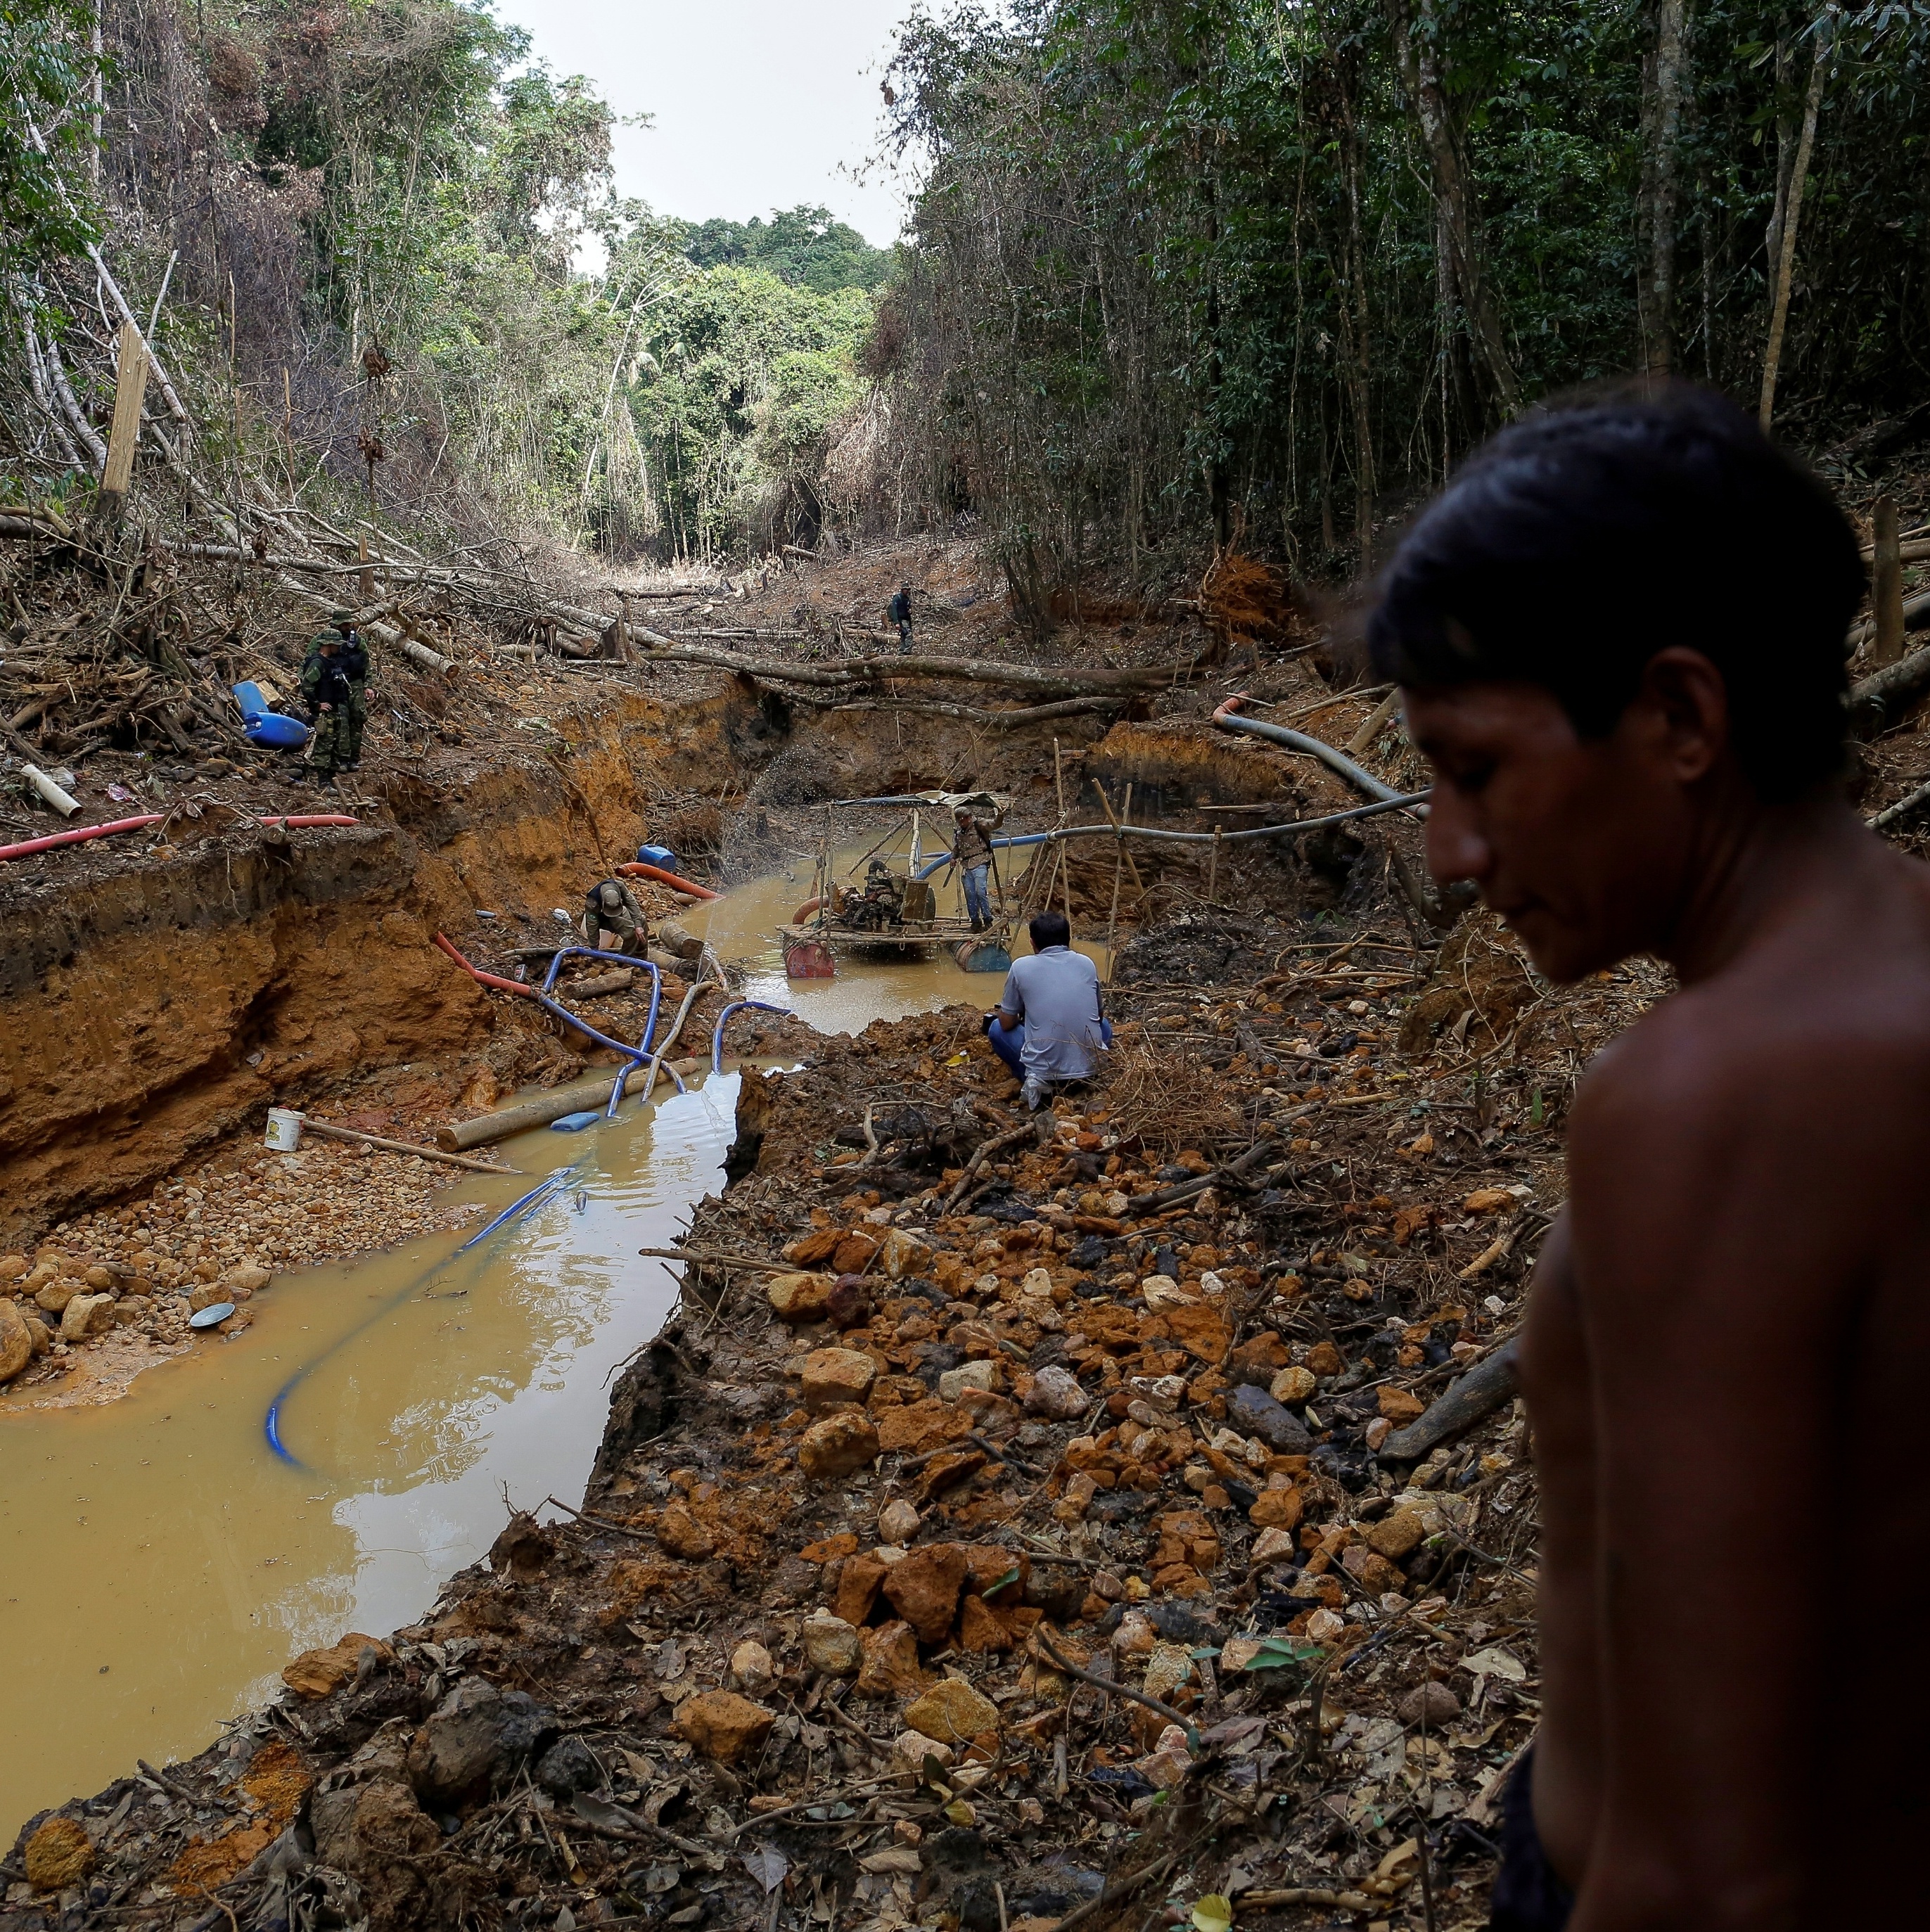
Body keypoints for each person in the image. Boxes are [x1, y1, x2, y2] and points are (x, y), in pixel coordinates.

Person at [1367, 383, 1907, 1931]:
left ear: (1679, 718)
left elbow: (1703, 1873)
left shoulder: (1704, 1097)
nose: (1447, 854)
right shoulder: (1897, 979)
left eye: (1473, 770)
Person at [986, 910, 1111, 1111]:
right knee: (1104, 1026)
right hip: (1091, 1070)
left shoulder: (1021, 967)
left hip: (1047, 1075)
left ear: (1032, 942)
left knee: (996, 1029)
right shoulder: (1086, 963)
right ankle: (1081, 1076)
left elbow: (1006, 1023)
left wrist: (1021, 1015)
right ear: (1068, 939)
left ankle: (1031, 1077)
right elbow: (1098, 1016)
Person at [298, 634, 352, 786]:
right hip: (324, 714)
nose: (338, 647)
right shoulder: (317, 663)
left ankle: (331, 779)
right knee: (324, 747)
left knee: (334, 746)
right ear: (328, 644)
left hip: (334, 711)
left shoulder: (330, 662)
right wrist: (317, 705)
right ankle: (323, 782)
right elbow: (307, 686)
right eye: (336, 644)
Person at [952, 798, 1006, 931]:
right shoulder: (960, 832)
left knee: (980, 891)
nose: (960, 823)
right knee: (970, 893)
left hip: (980, 862)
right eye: (959, 821)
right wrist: (953, 858)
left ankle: (987, 920)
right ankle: (975, 921)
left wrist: (1000, 814)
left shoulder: (980, 824)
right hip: (967, 865)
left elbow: (995, 824)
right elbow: (958, 847)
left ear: (968, 818)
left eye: (962, 820)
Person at [331, 610, 369, 772]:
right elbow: (312, 660)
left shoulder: (357, 641)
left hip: (356, 684)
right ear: (336, 624)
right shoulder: (326, 639)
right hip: (337, 685)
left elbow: (367, 664)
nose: (347, 627)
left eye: (349, 623)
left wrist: (369, 686)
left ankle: (354, 759)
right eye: (344, 624)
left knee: (357, 718)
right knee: (342, 721)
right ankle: (342, 758)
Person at [581, 878, 648, 956]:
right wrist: (593, 948)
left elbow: (631, 903)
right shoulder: (592, 903)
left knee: (642, 922)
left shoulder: (619, 886)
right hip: (603, 918)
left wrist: (638, 925)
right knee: (631, 932)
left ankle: (640, 956)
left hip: (620, 911)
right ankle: (624, 958)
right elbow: (592, 925)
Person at [888, 583, 914, 653]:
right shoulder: (897, 598)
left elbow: (909, 608)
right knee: (909, 634)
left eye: (907, 589)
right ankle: (907, 651)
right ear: (902, 590)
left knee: (904, 635)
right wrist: (896, 622)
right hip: (901, 620)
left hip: (907, 620)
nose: (906, 591)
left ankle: (902, 650)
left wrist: (910, 611)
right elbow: (894, 610)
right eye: (905, 589)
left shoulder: (907, 599)